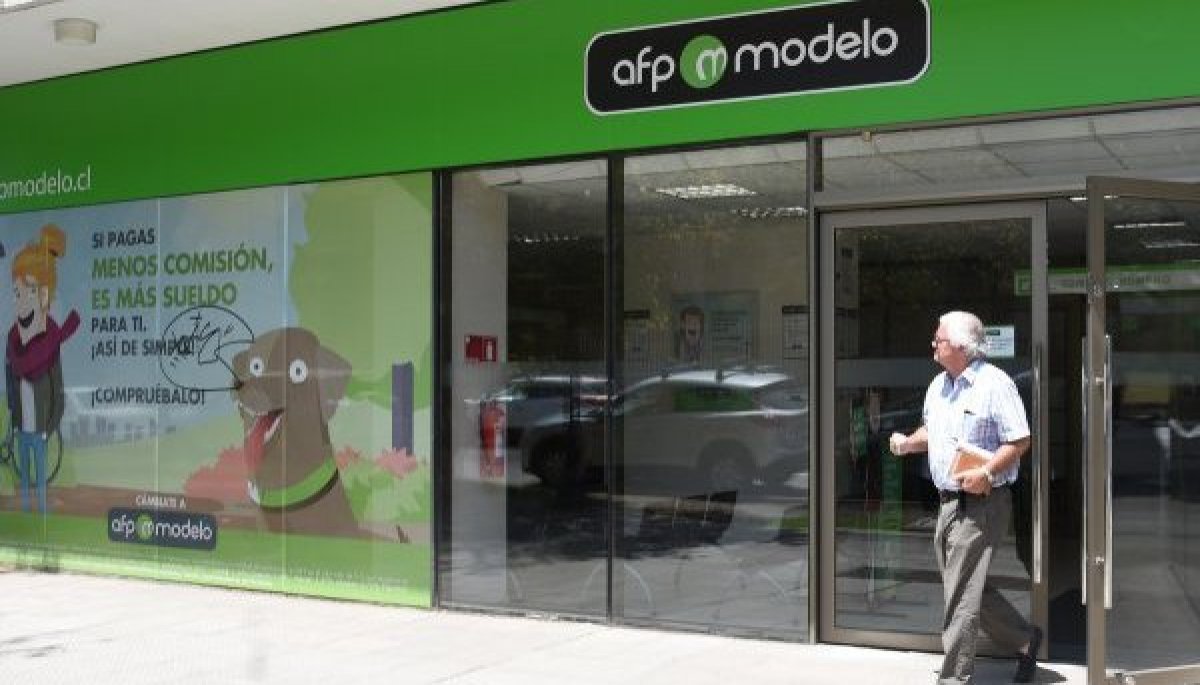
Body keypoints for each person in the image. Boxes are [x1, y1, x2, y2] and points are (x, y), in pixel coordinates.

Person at [889, 311, 1042, 684]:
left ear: (961, 346)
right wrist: (908, 443)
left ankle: (954, 677)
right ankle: (1024, 640)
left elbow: (1019, 439)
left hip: (982, 503)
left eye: (939, 339)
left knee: (960, 594)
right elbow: (933, 431)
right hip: (948, 502)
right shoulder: (938, 385)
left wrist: (986, 471)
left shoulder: (995, 384)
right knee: (965, 585)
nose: (933, 344)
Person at [5, 225, 79, 515]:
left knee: (40, 477)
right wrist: (14, 422)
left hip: (39, 434)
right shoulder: (12, 345)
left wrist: (48, 430)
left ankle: (42, 516)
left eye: (31, 291)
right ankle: (27, 513)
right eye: (17, 292)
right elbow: (13, 391)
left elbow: (58, 395)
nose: (22, 302)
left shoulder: (50, 348)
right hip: (22, 431)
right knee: (24, 476)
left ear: (44, 296)